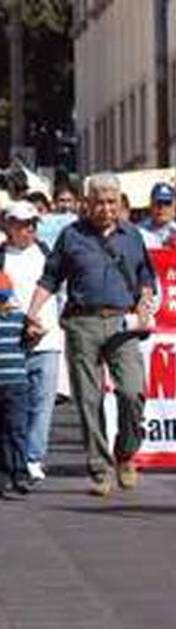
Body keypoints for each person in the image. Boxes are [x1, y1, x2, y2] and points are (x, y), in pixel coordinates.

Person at [25, 173, 157, 497]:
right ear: (87, 204)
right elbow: (51, 278)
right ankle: (99, 468)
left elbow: (146, 277)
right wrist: (32, 312)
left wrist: (144, 302)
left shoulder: (132, 236)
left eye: (112, 202)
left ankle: (125, 452)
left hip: (121, 323)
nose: (106, 208)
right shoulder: (72, 236)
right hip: (82, 322)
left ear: (120, 202)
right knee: (88, 398)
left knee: (132, 391)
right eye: (99, 202)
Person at [1, 201, 59, 482]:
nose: (28, 230)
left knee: (42, 403)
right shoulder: (1, 257)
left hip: (47, 341)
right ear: (8, 225)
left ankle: (33, 457)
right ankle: (13, 460)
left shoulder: (48, 254)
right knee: (13, 407)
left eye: (33, 224)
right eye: (22, 224)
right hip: (10, 343)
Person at [0, 272, 32, 497]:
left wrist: (34, 334)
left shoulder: (19, 318)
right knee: (5, 432)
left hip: (16, 384)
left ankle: (20, 472)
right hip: (12, 383)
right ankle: (4, 476)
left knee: (17, 429)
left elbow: (30, 341)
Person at [139, 182, 176, 249]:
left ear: (174, 206)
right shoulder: (138, 233)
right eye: (158, 202)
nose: (162, 207)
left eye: (167, 203)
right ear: (151, 204)